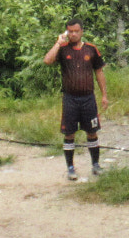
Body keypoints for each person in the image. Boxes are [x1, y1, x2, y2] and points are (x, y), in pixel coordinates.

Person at [42, 17, 107, 181]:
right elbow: (47, 60)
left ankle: (95, 165)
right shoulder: (63, 49)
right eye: (70, 31)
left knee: (92, 132)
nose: (73, 34)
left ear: (81, 32)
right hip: (70, 99)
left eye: (76, 31)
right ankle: (70, 168)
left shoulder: (91, 49)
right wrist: (58, 42)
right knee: (69, 134)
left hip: (88, 99)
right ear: (66, 32)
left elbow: (99, 72)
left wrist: (104, 95)